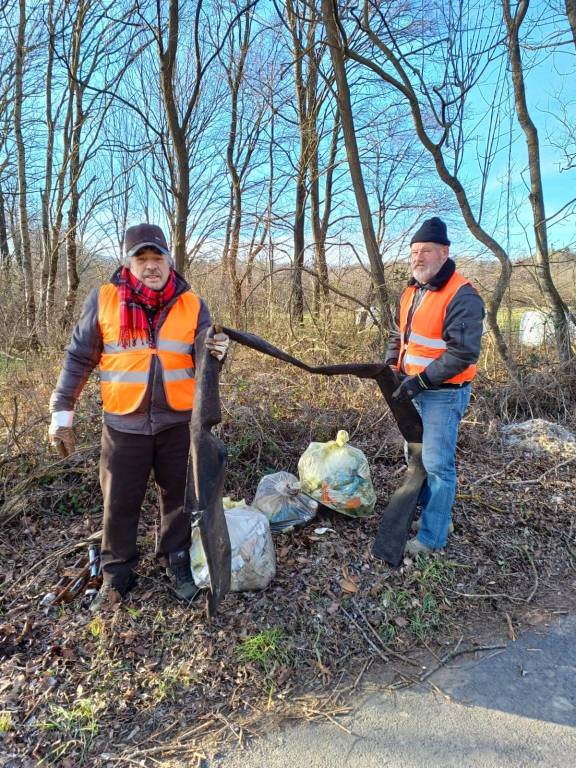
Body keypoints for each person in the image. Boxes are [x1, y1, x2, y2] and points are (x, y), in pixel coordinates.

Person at [48, 223, 230, 610]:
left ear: (169, 260)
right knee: (118, 503)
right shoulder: (105, 299)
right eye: (141, 258)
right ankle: (117, 575)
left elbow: (206, 364)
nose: (151, 266)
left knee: (180, 500)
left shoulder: (192, 304)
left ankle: (176, 561)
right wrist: (62, 411)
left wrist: (217, 352)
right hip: (122, 425)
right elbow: (79, 357)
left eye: (157, 257)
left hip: (178, 423)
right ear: (128, 262)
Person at [385, 217, 485, 555]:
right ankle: (435, 516)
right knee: (417, 458)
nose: (417, 257)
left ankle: (432, 537)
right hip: (411, 389)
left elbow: (464, 352)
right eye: (414, 251)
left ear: (444, 252)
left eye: (425, 250)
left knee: (438, 464)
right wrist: (390, 366)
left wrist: (422, 381)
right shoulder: (412, 290)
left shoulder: (463, 295)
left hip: (442, 394)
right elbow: (400, 336)